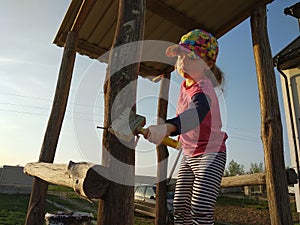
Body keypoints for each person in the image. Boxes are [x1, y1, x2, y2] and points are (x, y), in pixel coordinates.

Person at [143, 29, 228, 225]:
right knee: (180, 207)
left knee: (200, 208)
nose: (182, 62)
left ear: (208, 64)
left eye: (190, 57)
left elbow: (196, 113)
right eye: (180, 56)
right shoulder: (184, 86)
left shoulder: (203, 86)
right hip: (189, 155)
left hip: (210, 154)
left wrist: (168, 128)